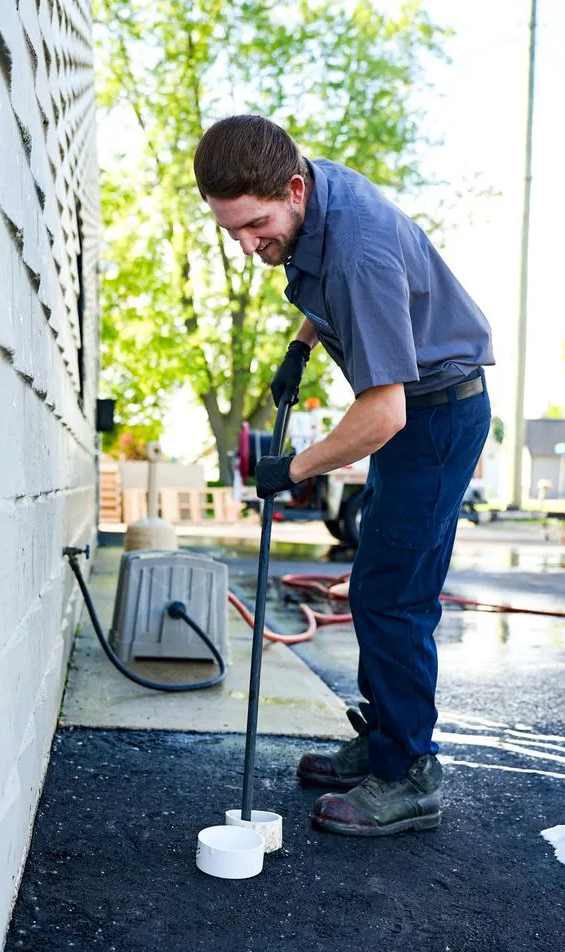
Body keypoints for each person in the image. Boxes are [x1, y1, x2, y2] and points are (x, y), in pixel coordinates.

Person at [193, 115, 494, 837]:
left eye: (255, 226)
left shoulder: (357, 251)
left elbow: (383, 413)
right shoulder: (310, 200)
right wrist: (303, 342)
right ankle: (384, 736)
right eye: (229, 230)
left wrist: (290, 469)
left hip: (434, 419)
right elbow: (323, 286)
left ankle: (410, 771)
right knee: (377, 586)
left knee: (396, 597)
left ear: (293, 190)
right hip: (419, 413)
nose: (246, 245)